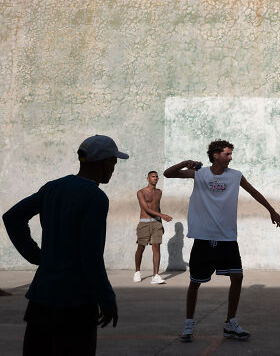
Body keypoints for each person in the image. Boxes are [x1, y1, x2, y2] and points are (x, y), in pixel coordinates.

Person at [3, 134, 127, 356]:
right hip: (76, 303)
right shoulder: (95, 197)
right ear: (101, 162)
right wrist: (107, 299)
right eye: (112, 162)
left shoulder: (53, 188)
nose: (113, 168)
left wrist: (36, 255)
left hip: (41, 299)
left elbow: (12, 217)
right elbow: (91, 256)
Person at [164, 139, 280, 343]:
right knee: (195, 283)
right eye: (227, 154)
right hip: (204, 238)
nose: (230, 157)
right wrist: (186, 162)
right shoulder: (199, 173)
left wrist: (271, 210)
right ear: (215, 155)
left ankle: (230, 323)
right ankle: (189, 324)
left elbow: (253, 191)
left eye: (231, 154)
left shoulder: (235, 175)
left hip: (227, 238)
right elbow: (168, 173)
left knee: (237, 277)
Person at [134, 170, 172, 284]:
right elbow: (146, 208)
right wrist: (163, 216)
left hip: (157, 223)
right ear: (148, 179)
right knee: (141, 247)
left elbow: (157, 208)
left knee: (156, 248)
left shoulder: (159, 192)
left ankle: (155, 275)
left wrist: (161, 223)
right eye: (153, 177)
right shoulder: (141, 192)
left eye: (156, 177)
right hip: (144, 223)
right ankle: (137, 271)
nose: (155, 178)